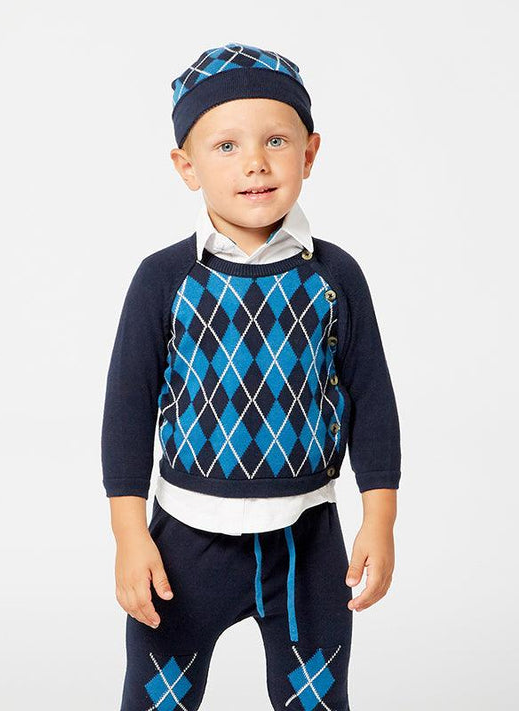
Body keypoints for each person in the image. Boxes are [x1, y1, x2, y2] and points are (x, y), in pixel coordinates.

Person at [101, 42, 402, 711]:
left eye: (275, 140)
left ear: (310, 153)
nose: (255, 163)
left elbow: (371, 401)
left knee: (316, 701)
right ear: (186, 166)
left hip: (307, 545)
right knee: (156, 701)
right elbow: (127, 412)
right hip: (184, 546)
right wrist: (129, 534)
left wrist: (379, 519)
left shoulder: (333, 276)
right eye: (226, 145)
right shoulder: (165, 279)